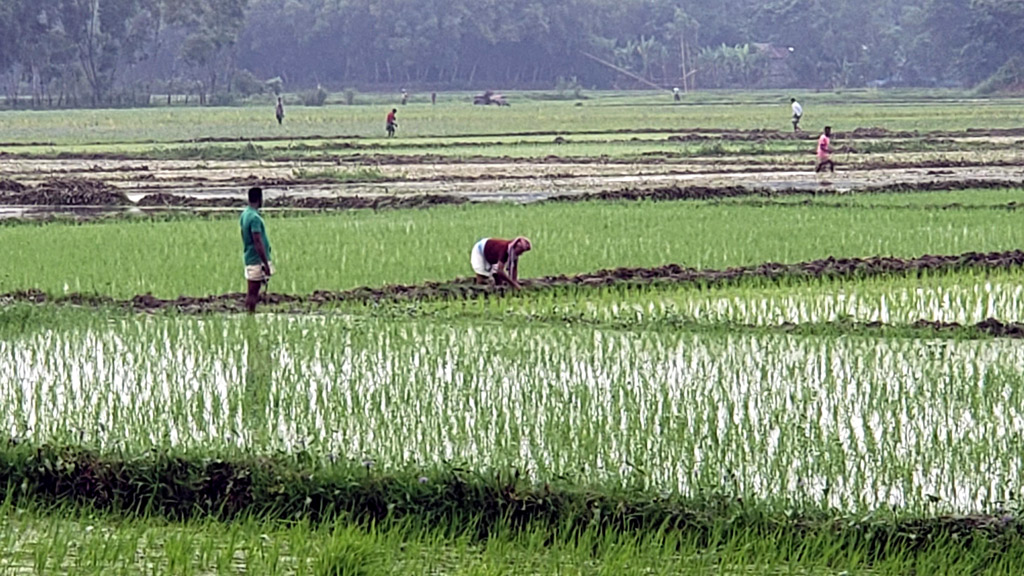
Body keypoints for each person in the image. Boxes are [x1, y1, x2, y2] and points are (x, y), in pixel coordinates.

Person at [241, 187, 273, 313]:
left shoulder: (245, 214)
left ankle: (250, 316)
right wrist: (265, 263)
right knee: (253, 293)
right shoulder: (254, 218)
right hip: (256, 259)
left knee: (252, 292)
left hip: (250, 256)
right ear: (260, 199)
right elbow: (257, 241)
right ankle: (250, 317)